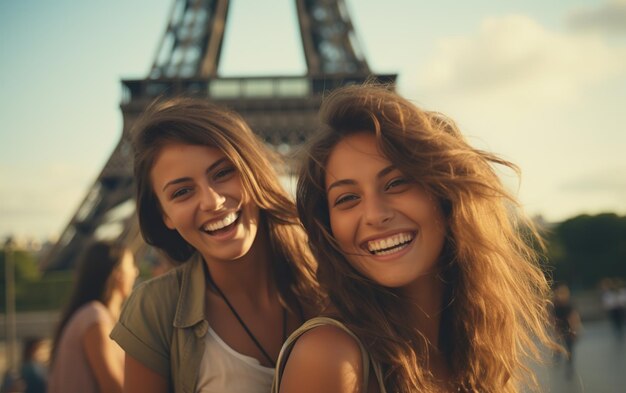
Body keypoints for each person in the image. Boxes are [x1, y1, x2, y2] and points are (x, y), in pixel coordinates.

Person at [274, 84, 556, 393]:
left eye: (396, 183)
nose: (374, 214)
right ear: (329, 228)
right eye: (347, 198)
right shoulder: (331, 356)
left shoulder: (470, 346)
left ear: (444, 194)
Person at [110, 97, 322, 393]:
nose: (213, 201)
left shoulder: (331, 282)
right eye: (182, 192)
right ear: (165, 216)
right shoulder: (155, 310)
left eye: (223, 173)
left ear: (253, 171)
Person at [48, 241, 138, 393]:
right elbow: (114, 388)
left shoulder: (92, 316)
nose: (136, 272)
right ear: (118, 274)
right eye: (131, 265)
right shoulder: (94, 317)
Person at [551, 284, 581, 379]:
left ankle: (568, 366)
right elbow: (554, 318)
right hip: (562, 329)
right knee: (564, 347)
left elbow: (573, 317)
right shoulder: (557, 305)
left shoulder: (566, 305)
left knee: (569, 349)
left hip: (567, 330)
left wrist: (574, 330)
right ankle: (561, 359)